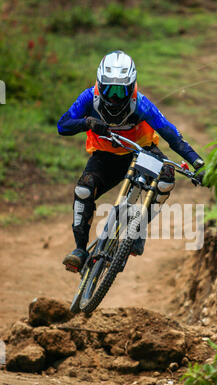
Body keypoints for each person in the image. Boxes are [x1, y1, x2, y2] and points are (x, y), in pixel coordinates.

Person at [57, 50, 204, 272]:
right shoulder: (89, 98)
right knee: (84, 190)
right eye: (109, 88)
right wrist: (87, 122)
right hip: (105, 156)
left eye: (121, 89)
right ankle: (79, 249)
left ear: (132, 86)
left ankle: (139, 230)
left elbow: (171, 135)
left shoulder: (141, 104)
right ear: (99, 83)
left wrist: (197, 163)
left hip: (142, 152)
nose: (115, 96)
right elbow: (63, 125)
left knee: (165, 180)